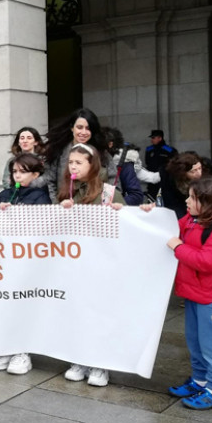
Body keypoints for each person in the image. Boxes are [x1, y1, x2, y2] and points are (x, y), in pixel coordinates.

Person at [165, 176, 212, 410]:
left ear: (207, 202)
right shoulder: (194, 219)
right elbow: (170, 228)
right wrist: (148, 213)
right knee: (195, 342)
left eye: (192, 198)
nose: (186, 201)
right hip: (194, 293)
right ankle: (199, 381)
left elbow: (207, 262)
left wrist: (178, 247)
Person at [59, 143, 124, 386]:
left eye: (78, 162)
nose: (73, 166)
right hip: (75, 265)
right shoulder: (68, 191)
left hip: (102, 266)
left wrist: (119, 212)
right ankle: (79, 358)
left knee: (99, 313)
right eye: (70, 162)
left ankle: (100, 364)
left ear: (92, 165)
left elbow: (126, 224)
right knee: (77, 313)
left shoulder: (108, 192)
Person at [0, 154, 51, 373]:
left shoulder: (40, 196)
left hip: (27, 260)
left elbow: (44, 225)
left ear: (35, 174)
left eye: (23, 171)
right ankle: (7, 347)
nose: (17, 175)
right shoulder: (5, 194)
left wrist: (15, 215)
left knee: (23, 304)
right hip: (4, 259)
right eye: (15, 171)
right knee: (5, 304)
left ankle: (23, 351)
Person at [42, 108, 107, 203]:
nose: (83, 132)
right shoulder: (58, 150)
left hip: (95, 207)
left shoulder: (101, 152)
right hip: (65, 206)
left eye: (88, 128)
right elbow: (50, 181)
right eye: (79, 127)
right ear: (72, 128)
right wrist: (57, 204)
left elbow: (113, 183)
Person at [160, 152, 204, 219]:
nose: (199, 173)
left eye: (200, 168)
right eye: (193, 171)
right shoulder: (171, 183)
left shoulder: (206, 177)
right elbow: (173, 206)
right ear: (183, 173)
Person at [146, 129, 178, 199]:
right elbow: (147, 162)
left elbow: (175, 164)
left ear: (160, 138)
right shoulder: (149, 149)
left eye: (153, 138)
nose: (152, 140)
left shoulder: (169, 150)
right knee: (151, 198)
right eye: (151, 138)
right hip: (152, 179)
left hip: (165, 180)